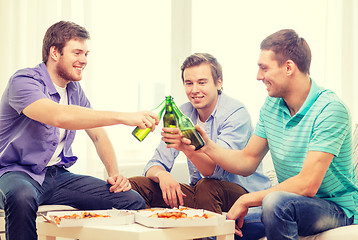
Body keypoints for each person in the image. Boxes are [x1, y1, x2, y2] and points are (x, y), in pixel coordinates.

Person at [177, 29, 358, 240]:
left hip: (335, 208)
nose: (258, 76)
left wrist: (247, 200)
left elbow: (307, 184)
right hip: (291, 203)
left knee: (274, 203)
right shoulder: (272, 105)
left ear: (288, 67)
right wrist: (205, 145)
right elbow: (247, 161)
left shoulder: (330, 109)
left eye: (264, 68)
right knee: (221, 224)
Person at [0, 21, 159, 240]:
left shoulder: (74, 89)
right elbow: (58, 116)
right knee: (22, 195)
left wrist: (114, 174)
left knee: (130, 200)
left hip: (57, 176)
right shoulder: (24, 81)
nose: (83, 60)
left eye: (86, 53)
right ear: (55, 53)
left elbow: (97, 134)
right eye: (77, 52)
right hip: (14, 173)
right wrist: (124, 117)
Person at [129, 53, 271, 239]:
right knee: (137, 185)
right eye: (189, 83)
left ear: (218, 83)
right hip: (201, 194)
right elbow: (155, 163)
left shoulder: (236, 113)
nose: (194, 89)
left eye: (202, 82)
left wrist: (185, 148)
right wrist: (162, 175)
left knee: (207, 186)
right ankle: (155, 232)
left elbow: (215, 173)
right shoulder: (182, 113)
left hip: (243, 198)